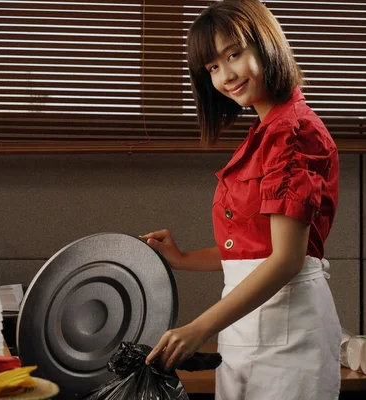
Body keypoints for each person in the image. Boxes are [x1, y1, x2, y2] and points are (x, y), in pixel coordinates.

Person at [140, 0, 341, 399]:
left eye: (234, 55)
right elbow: (253, 249)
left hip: (289, 336)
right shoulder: (265, 129)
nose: (225, 75)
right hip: (248, 330)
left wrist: (200, 328)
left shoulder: (294, 133)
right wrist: (182, 259)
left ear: (266, 45)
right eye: (212, 67)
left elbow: (286, 260)